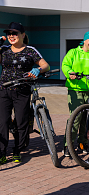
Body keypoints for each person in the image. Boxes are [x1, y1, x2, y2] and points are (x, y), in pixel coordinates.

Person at [0, 22, 50, 164]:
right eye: (9, 33)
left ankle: (17, 150)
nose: (11, 36)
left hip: (22, 91)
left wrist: (38, 70)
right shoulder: (3, 50)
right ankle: (2, 152)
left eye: (15, 33)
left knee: (20, 122)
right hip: (4, 89)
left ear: (22, 35)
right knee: (2, 122)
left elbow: (46, 65)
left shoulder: (30, 50)